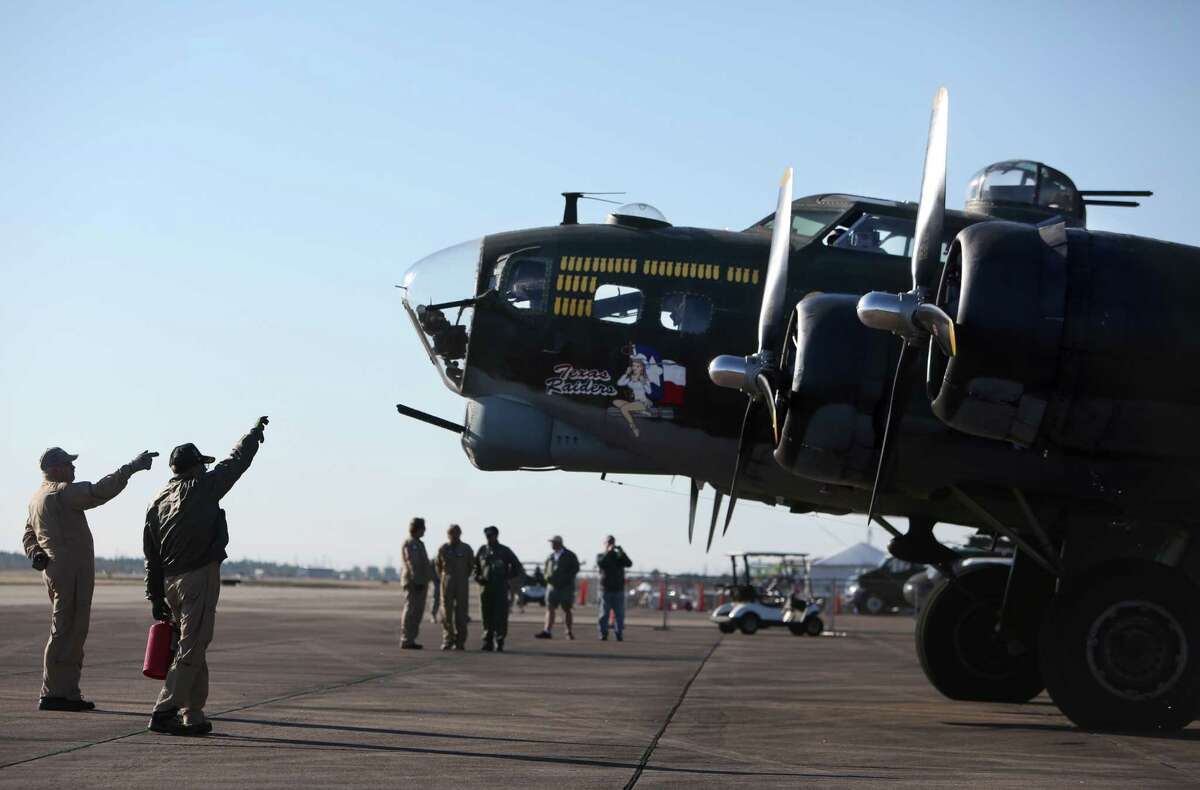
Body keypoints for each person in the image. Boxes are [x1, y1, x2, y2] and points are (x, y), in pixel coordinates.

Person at [144, 417, 268, 736]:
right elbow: (236, 461)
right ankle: (164, 710)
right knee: (192, 647)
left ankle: (193, 713)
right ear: (196, 466)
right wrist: (252, 435)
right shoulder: (203, 486)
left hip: (170, 584)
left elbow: (151, 557)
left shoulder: (156, 502)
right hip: (197, 577)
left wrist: (155, 596)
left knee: (192, 645)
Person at [23, 446, 157, 711]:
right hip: (70, 571)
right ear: (55, 468)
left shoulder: (36, 498)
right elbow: (98, 492)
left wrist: (36, 553)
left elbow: (29, 534)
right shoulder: (60, 492)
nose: (73, 468)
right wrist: (131, 467)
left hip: (57, 571)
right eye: (69, 464)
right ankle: (54, 693)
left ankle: (66, 692)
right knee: (67, 631)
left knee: (70, 630)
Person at [474, 526, 521, 652]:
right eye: (487, 536)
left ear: (496, 536)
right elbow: (475, 567)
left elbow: (517, 566)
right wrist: (478, 577)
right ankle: (487, 640)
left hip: (500, 588)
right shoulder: (482, 550)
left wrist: (507, 577)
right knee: (486, 615)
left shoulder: (505, 551)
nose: (489, 538)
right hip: (485, 588)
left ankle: (499, 640)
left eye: (491, 535)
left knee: (500, 615)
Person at [434, 524, 473, 650]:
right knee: (446, 612)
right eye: (451, 533)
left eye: (456, 533)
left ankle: (460, 641)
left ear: (460, 534)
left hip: (462, 583)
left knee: (461, 612)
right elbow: (438, 565)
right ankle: (448, 639)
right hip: (447, 582)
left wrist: (463, 576)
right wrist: (445, 577)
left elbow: (470, 566)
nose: (453, 536)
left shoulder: (466, 549)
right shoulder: (443, 549)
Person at [535, 535, 580, 640]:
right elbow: (546, 569)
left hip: (566, 587)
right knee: (550, 608)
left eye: (554, 542)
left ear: (559, 543)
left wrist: (567, 579)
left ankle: (568, 632)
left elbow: (575, 568)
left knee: (566, 609)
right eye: (551, 543)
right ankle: (547, 631)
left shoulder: (570, 555)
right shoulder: (550, 556)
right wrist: (547, 577)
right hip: (552, 587)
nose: (552, 544)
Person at [400, 517, 434, 650]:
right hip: (414, 582)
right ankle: (406, 639)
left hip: (420, 581)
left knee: (417, 611)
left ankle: (411, 638)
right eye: (423, 528)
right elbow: (412, 563)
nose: (424, 531)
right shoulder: (411, 543)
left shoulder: (418, 543)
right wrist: (417, 580)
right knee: (412, 610)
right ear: (418, 529)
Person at [597, 536, 633, 641]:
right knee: (604, 614)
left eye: (612, 542)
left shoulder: (619, 556)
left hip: (618, 589)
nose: (611, 544)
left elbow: (629, 563)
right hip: (605, 589)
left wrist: (621, 552)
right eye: (609, 542)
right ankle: (603, 633)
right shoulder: (601, 555)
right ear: (605, 544)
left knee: (619, 614)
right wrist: (608, 552)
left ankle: (619, 633)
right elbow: (601, 563)